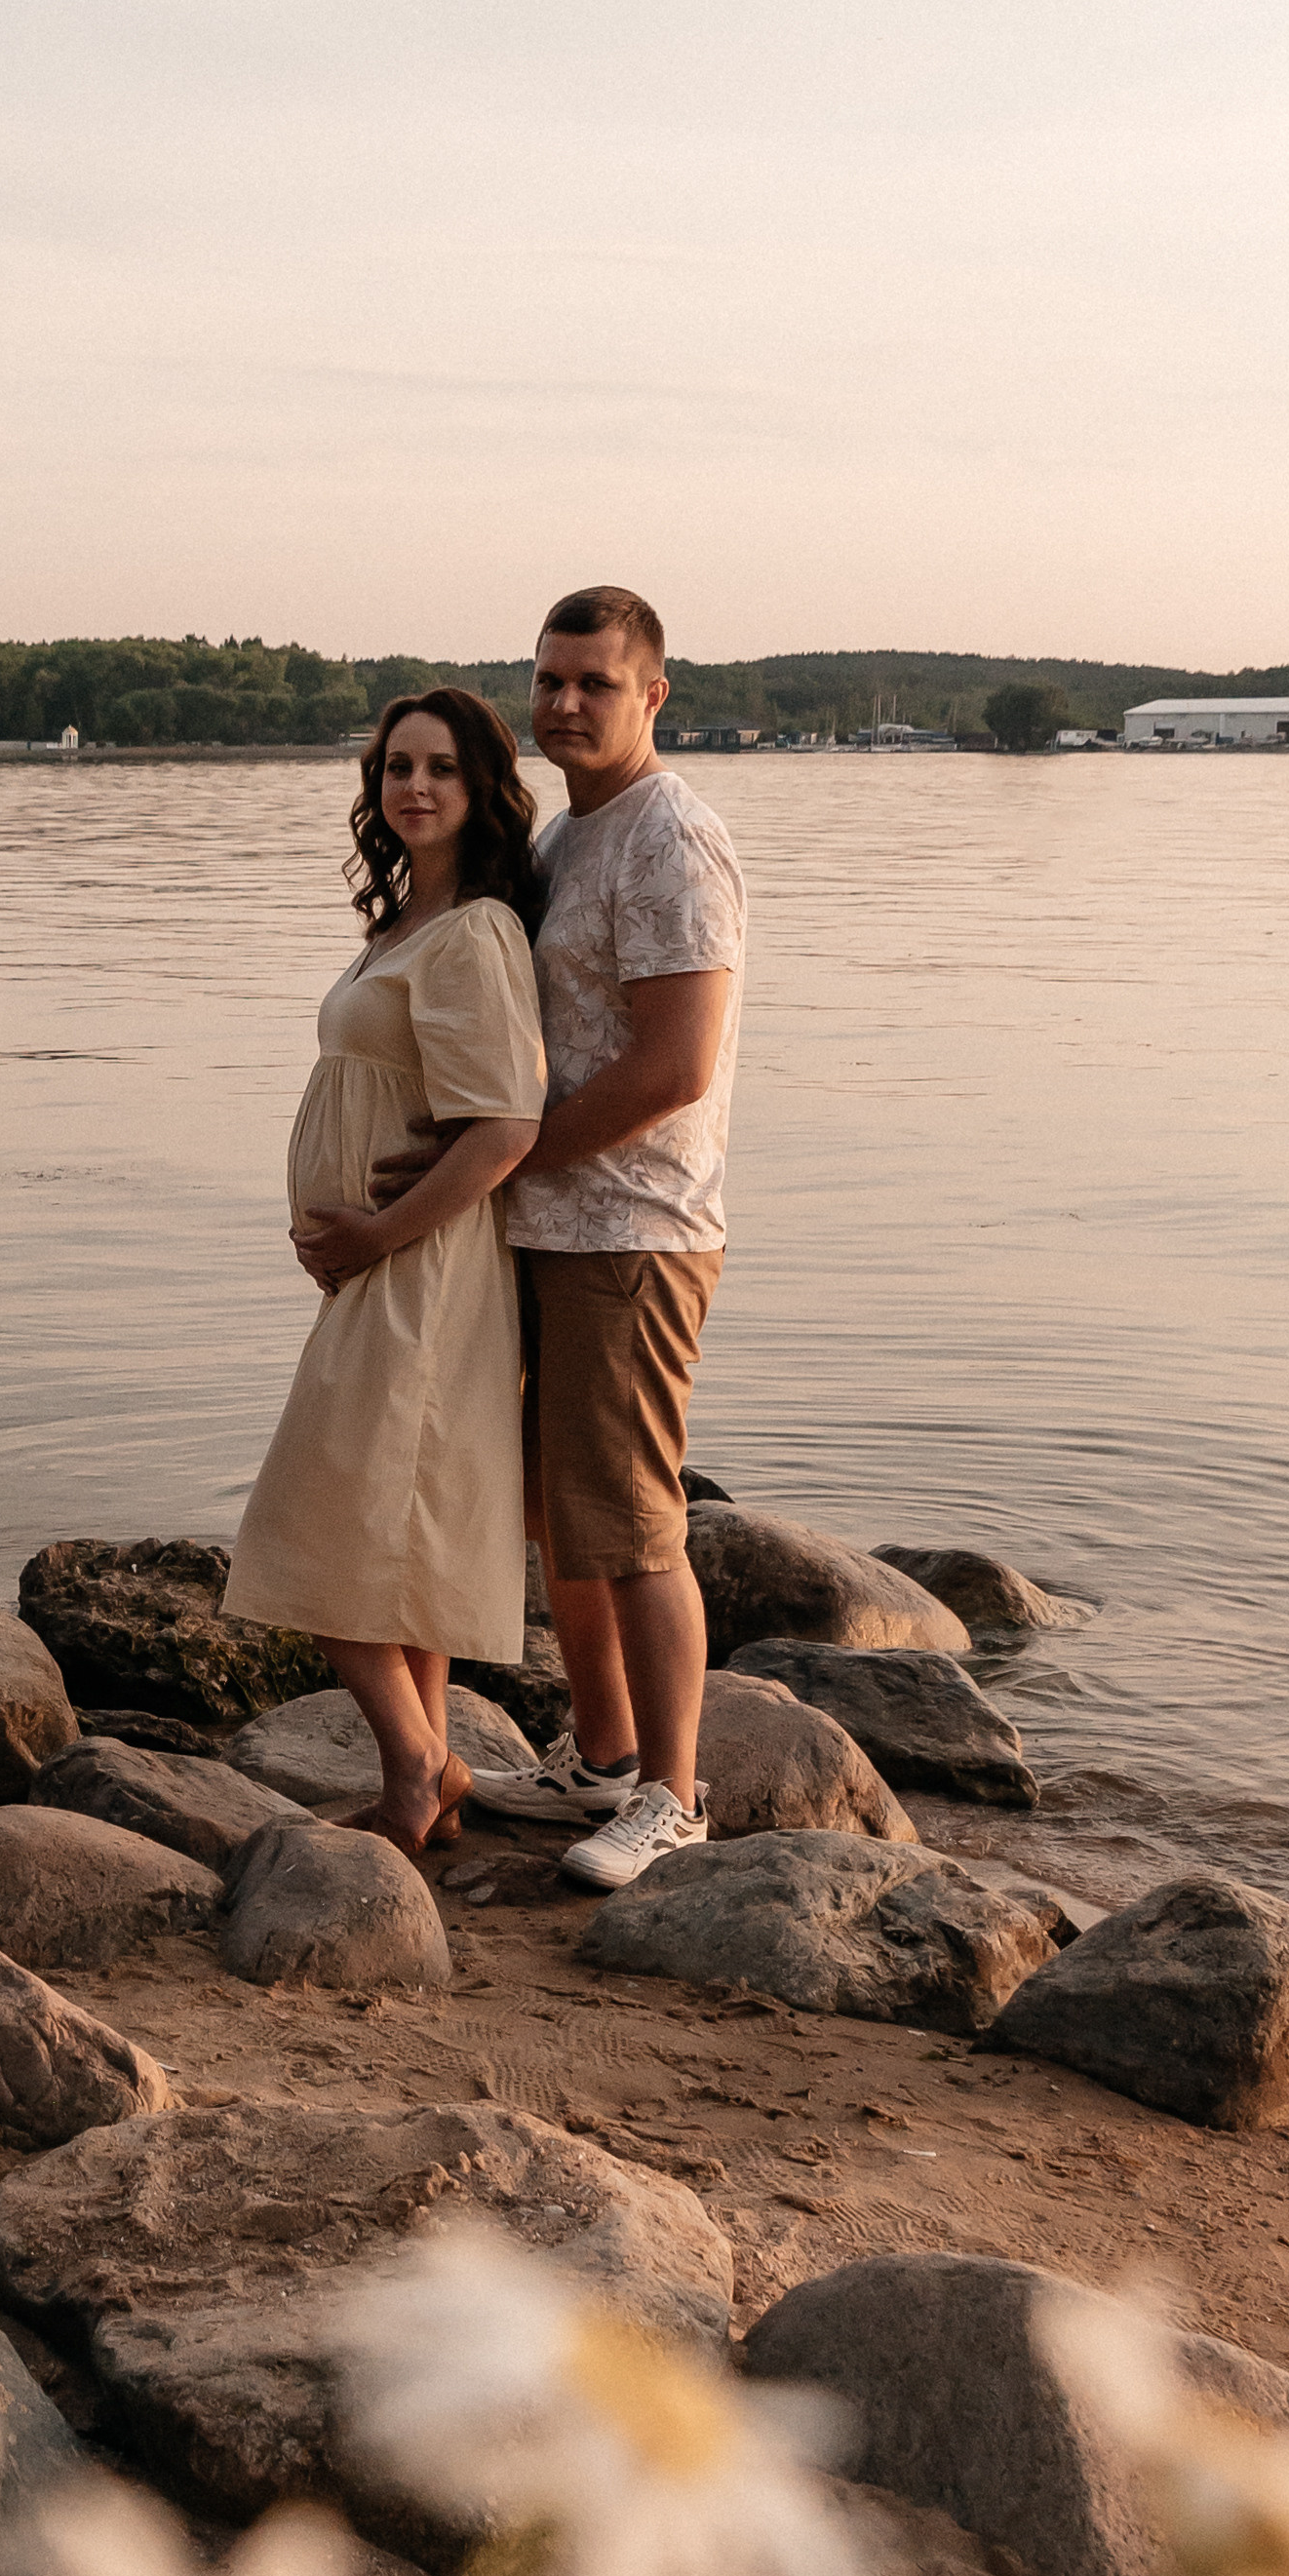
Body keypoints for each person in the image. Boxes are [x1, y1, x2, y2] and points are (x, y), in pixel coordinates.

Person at [219, 688, 547, 1858]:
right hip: (380, 1264)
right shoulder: (409, 922)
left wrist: (373, 1232)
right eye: (395, 767)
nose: (412, 787)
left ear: (481, 789)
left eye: (440, 769)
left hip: (418, 1266)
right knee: (395, 1532)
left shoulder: (473, 934)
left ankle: (415, 1768)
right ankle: (431, 1770)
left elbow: (504, 1126)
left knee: (323, 1521)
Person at [467, 585, 746, 1889]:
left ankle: (674, 1794)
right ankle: (597, 1752)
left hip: (633, 1229)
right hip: (546, 1225)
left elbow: (675, 1062)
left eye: (594, 681)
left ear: (652, 693)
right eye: (550, 680)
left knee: (633, 1519)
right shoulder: (570, 837)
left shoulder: (668, 838)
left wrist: (514, 1149)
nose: (566, 703)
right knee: (557, 1512)